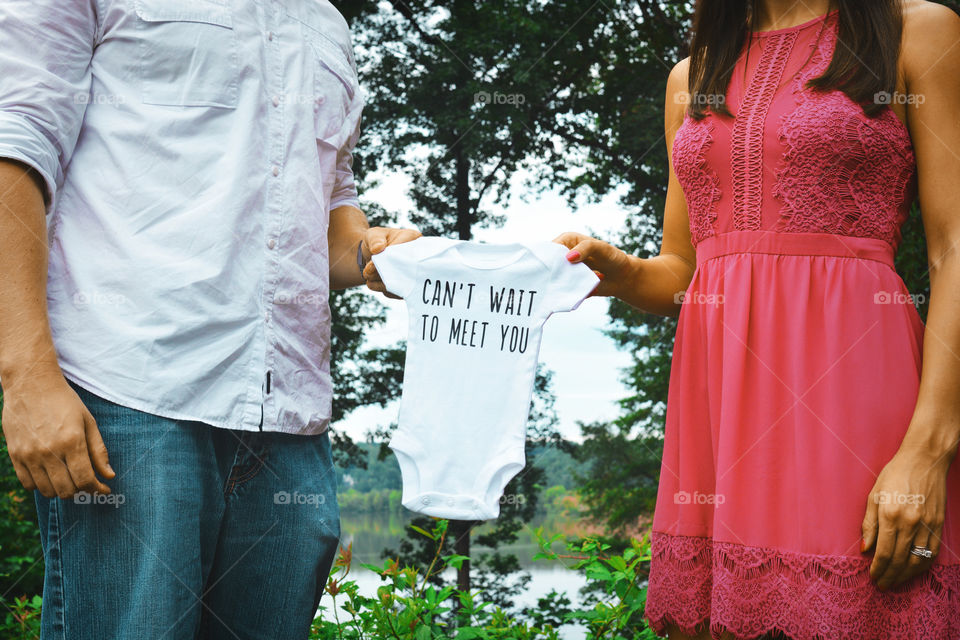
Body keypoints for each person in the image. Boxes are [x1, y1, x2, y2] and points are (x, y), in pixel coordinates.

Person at [0, 1, 417, 638]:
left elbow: (330, 211)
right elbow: (14, 148)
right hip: (128, 401)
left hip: (287, 426)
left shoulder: (328, 23)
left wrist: (371, 255)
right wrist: (26, 377)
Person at [556, 0, 960, 638]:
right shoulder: (693, 75)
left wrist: (928, 450)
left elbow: (953, 245)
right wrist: (620, 271)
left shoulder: (915, 30)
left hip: (857, 404)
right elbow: (684, 273)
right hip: (719, 416)